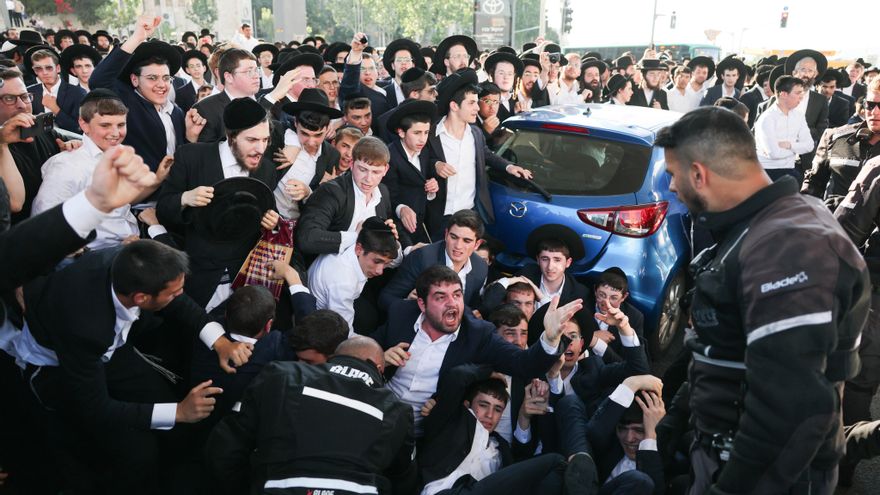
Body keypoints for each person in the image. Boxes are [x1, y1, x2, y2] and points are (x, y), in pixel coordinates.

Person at [656, 106, 869, 494]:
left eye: (673, 175)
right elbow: (723, 349)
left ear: (699, 174)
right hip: (720, 457)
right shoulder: (758, 228)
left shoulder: (789, 247)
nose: (671, 188)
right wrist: (678, 420)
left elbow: (792, 410)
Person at [1, 239, 251, 494]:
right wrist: (178, 411)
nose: (179, 297)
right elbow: (95, 407)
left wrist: (219, 342)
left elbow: (177, 298)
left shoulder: (128, 263)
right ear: (141, 298)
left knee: (167, 413)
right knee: (137, 454)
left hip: (111, 351)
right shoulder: (86, 326)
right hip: (60, 372)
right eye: (172, 294)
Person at [374, 264, 579, 436]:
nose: (452, 303)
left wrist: (550, 338)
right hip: (377, 413)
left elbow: (523, 364)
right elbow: (362, 353)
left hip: (426, 433)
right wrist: (379, 359)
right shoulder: (401, 313)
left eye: (456, 295)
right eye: (440, 297)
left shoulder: (478, 334)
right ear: (421, 304)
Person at [206, 336, 418, 495]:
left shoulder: (281, 375)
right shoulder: (397, 411)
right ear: (379, 368)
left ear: (333, 358)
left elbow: (225, 447)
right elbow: (403, 481)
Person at [156, 97, 280, 308]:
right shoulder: (191, 156)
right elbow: (163, 209)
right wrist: (185, 199)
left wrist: (272, 222)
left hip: (243, 278)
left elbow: (267, 213)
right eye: (252, 140)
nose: (261, 148)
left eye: (265, 140)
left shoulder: (266, 169)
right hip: (197, 276)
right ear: (231, 136)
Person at [418, 364, 593, 495]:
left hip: (482, 490)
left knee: (555, 475)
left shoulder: (500, 446)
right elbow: (458, 377)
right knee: (556, 462)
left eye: (497, 409)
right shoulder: (450, 423)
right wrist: (489, 372)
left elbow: (524, 466)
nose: (489, 414)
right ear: (467, 405)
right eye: (483, 405)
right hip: (444, 492)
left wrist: (524, 416)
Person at [32, 90, 170, 251]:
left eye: (121, 125)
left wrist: (157, 179)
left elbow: (124, 202)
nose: (115, 133)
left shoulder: (120, 154)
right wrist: (99, 254)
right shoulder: (66, 166)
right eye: (105, 125)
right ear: (84, 124)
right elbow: (44, 225)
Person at [427, 68, 531, 239]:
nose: (477, 107)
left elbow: (486, 154)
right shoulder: (431, 134)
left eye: (477, 102)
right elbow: (418, 163)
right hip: (439, 217)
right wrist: (435, 165)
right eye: (471, 103)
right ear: (454, 106)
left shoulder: (475, 133)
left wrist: (509, 167)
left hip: (470, 214)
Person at [88, 14, 190, 173]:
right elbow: (98, 81)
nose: (161, 85)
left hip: (174, 191)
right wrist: (137, 37)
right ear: (135, 80)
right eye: (152, 78)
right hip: (141, 192)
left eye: (166, 78)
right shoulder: (127, 102)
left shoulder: (176, 112)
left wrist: (192, 136)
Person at [557, 375, 665, 495]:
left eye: (639, 431)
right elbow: (595, 431)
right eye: (622, 429)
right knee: (570, 402)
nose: (629, 438)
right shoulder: (610, 445)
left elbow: (652, 489)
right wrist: (631, 384)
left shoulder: (666, 457)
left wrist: (651, 436)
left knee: (639, 480)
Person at [296, 136, 395, 256]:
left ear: (385, 170)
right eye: (363, 169)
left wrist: (390, 241)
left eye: (376, 172)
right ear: (352, 164)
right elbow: (307, 238)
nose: (368, 179)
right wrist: (357, 236)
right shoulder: (331, 192)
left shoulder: (383, 193)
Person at [306, 217, 400, 335]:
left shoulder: (358, 239)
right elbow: (344, 334)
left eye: (385, 263)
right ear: (359, 249)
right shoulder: (343, 283)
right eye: (377, 261)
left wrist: (392, 240)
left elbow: (396, 261)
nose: (380, 271)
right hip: (322, 324)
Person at [380, 209, 488, 311]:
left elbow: (469, 308)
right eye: (454, 237)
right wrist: (409, 304)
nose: (458, 246)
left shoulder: (480, 268)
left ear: (477, 244)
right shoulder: (422, 258)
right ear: (446, 235)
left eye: (466, 241)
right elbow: (385, 299)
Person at [802, 77, 880, 209]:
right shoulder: (835, 137)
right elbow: (813, 183)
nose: (875, 112)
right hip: (833, 224)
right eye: (870, 105)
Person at [273, 87, 343, 220]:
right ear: (295, 123)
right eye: (304, 133)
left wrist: (308, 192)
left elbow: (322, 199)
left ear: (328, 128)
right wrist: (293, 142)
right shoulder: (280, 137)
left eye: (318, 135)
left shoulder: (332, 155)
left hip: (300, 224)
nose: (311, 142)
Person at [382, 98, 438, 244]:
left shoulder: (425, 151)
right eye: (417, 133)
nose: (423, 139)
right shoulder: (390, 156)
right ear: (401, 132)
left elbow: (424, 180)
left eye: (426, 132)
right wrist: (401, 209)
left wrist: (432, 187)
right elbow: (386, 195)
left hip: (424, 223)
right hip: (400, 228)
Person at [191, 48, 262, 143]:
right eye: (249, 71)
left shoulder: (261, 101)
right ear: (228, 77)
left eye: (256, 70)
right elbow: (207, 152)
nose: (256, 76)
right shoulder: (206, 109)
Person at [754, 75, 814, 182]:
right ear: (783, 94)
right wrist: (796, 151)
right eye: (797, 93)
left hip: (791, 170)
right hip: (768, 173)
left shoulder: (798, 116)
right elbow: (773, 153)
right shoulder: (767, 118)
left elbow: (809, 145)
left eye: (802, 92)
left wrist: (790, 145)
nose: (801, 96)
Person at [26, 47, 87, 133]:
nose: (44, 72)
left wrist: (55, 109)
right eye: (38, 69)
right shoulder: (29, 92)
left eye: (49, 68)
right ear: (35, 71)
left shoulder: (78, 93)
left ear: (58, 68)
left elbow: (81, 128)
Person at [380, 37, 426, 109]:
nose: (403, 63)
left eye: (407, 60)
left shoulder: (422, 91)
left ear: (413, 65)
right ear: (392, 65)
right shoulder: (383, 93)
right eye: (399, 60)